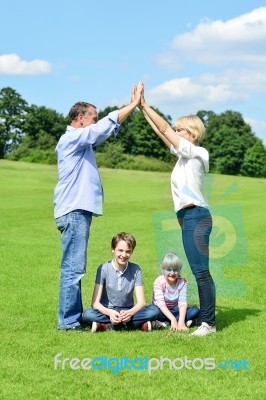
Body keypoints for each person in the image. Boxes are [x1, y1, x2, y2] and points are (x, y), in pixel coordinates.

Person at [54, 83, 143, 331]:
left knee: (74, 268)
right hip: (74, 211)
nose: (96, 122)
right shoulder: (71, 138)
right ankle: (69, 322)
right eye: (93, 117)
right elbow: (101, 129)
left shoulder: (80, 141)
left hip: (76, 211)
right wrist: (133, 106)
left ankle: (71, 319)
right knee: (73, 270)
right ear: (80, 119)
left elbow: (103, 133)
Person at [138, 86, 216, 336]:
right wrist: (142, 108)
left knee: (201, 271)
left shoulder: (198, 153)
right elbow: (162, 134)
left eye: (180, 128)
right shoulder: (184, 155)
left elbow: (165, 130)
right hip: (188, 218)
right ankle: (205, 320)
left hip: (197, 216)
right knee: (199, 270)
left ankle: (209, 324)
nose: (176, 131)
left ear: (191, 134)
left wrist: (147, 106)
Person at [83, 232, 158, 332]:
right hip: (107, 311)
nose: (124, 255)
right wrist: (110, 313)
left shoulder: (136, 269)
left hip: (127, 311)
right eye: (120, 251)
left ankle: (106, 326)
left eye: (128, 251)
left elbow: (142, 302)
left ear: (132, 252)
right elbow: (95, 303)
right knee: (87, 314)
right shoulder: (103, 268)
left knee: (154, 311)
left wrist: (130, 313)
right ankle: (135, 325)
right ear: (113, 249)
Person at [151, 252, 200, 331]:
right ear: (163, 269)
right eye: (168, 270)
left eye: (175, 270)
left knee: (195, 310)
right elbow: (161, 304)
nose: (172, 273)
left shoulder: (182, 282)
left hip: (176, 311)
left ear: (179, 269)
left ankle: (165, 324)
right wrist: (173, 319)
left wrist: (181, 322)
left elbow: (182, 302)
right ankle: (175, 322)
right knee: (153, 312)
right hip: (161, 311)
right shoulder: (159, 282)